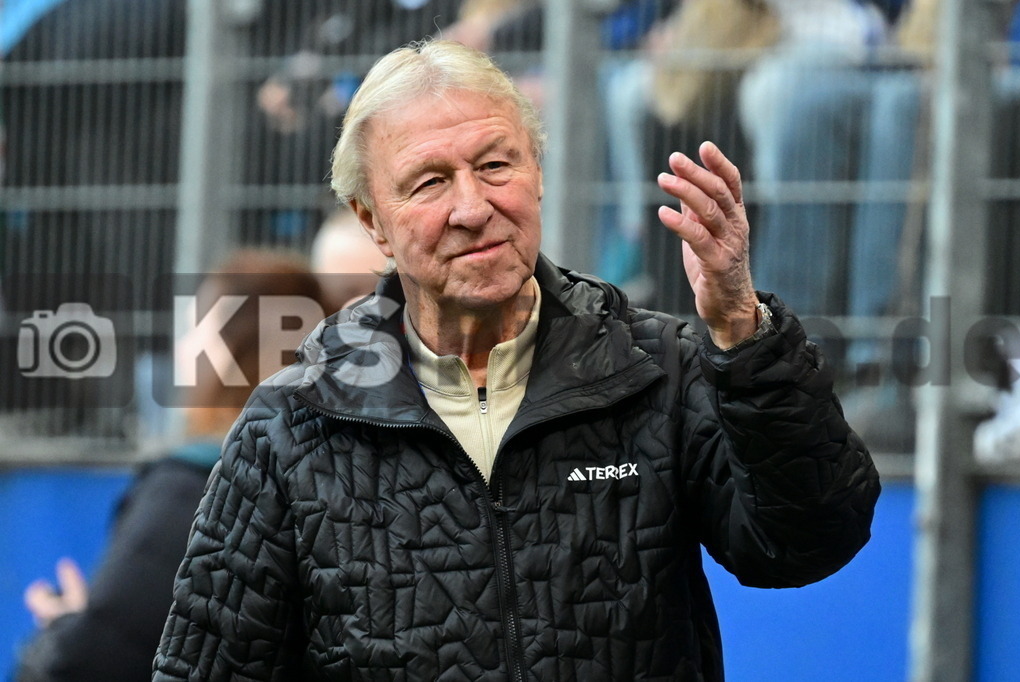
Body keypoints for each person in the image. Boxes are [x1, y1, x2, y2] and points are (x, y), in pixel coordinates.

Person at [152, 39, 880, 681]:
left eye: (495, 164)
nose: (473, 206)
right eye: (430, 182)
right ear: (372, 221)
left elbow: (807, 542)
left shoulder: (660, 366)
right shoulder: (290, 425)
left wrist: (744, 338)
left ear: (537, 172)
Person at [14, 250, 327, 682]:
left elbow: (96, 660)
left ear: (231, 351)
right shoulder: (337, 473)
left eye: (194, 329)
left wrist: (64, 628)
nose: (181, 350)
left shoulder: (193, 487)